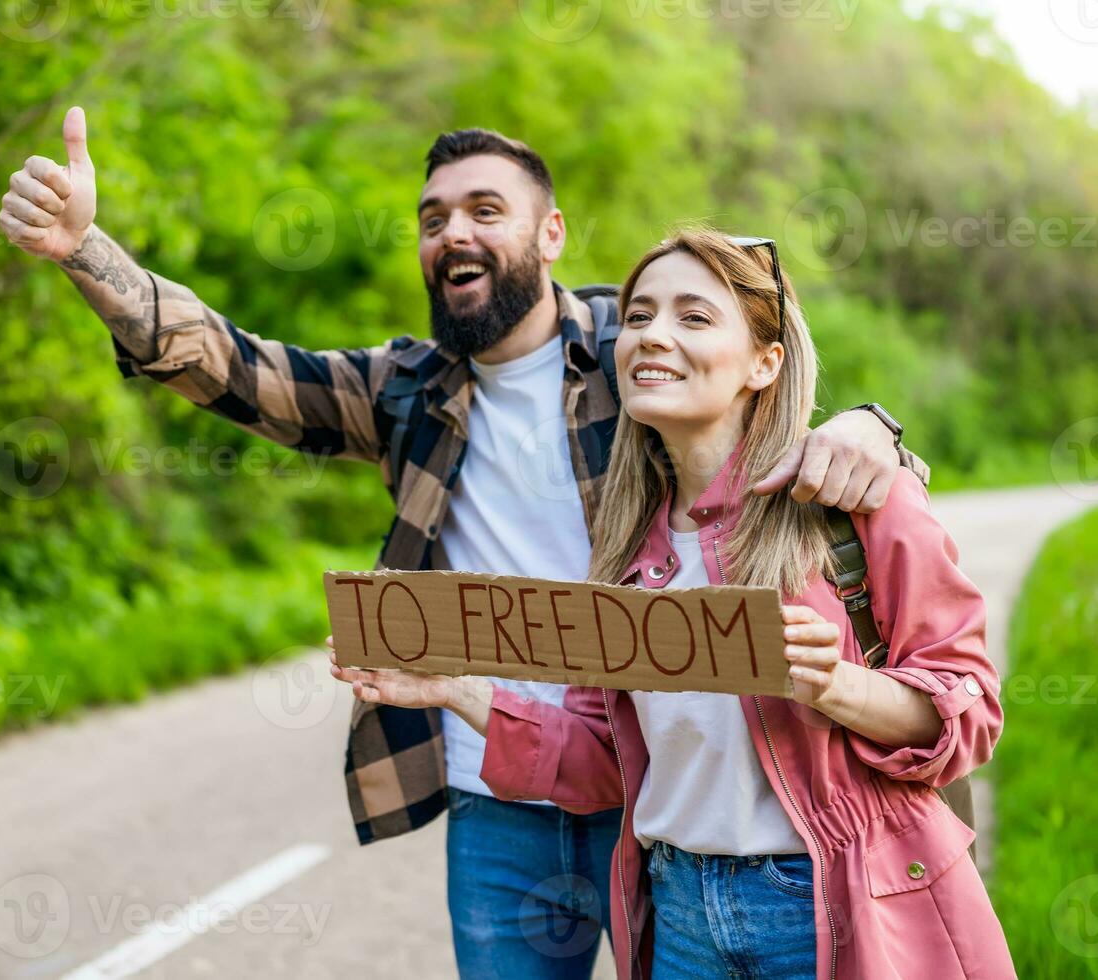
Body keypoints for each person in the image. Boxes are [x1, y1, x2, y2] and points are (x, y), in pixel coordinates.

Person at [0, 110, 926, 978]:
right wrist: (84, 249)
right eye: (433, 218)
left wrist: (873, 426)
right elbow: (236, 369)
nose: (456, 234)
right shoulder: (405, 388)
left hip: (656, 778)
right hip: (493, 784)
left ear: (551, 233)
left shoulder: (634, 342)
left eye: (488, 210)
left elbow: (776, 406)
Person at [331, 229, 1015, 979]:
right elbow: (605, 763)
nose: (653, 336)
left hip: (833, 904)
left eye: (694, 317)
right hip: (680, 918)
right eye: (640, 317)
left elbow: (972, 710)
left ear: (766, 362)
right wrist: (451, 690)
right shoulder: (625, 549)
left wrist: (841, 688)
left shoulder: (856, 501)